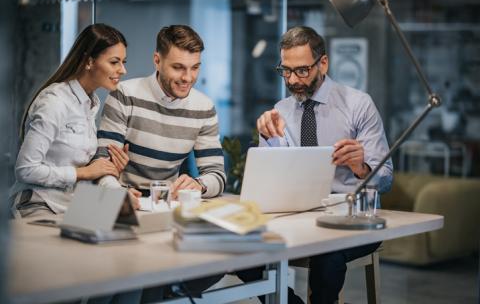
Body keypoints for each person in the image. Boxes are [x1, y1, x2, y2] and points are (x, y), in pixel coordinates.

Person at [253, 26, 393, 303]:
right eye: (286, 71)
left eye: (302, 70)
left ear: (323, 63)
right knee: (242, 250)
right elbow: (269, 180)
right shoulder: (280, 110)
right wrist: (268, 141)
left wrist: (361, 167)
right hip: (297, 218)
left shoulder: (358, 105)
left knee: (327, 251)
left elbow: (386, 179)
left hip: (350, 220)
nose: (293, 80)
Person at [94, 24, 226, 302]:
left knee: (222, 255)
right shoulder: (125, 94)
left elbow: (217, 175)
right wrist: (118, 196)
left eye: (195, 68)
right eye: (178, 67)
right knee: (118, 292)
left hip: (164, 210)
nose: (188, 78)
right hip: (123, 208)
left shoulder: (204, 108)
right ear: (157, 60)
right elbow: (102, 163)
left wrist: (199, 185)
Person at [9, 23, 134, 219]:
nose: (123, 70)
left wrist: (110, 168)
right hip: (38, 204)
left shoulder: (90, 103)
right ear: (89, 61)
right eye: (114, 62)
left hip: (72, 205)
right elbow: (25, 170)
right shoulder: (55, 102)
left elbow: (81, 165)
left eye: (123, 62)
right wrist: (84, 173)